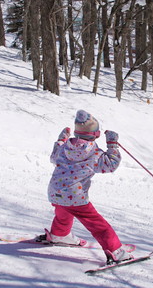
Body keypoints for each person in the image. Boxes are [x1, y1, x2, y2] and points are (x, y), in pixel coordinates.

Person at [44, 109, 132, 264]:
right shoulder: (94, 153)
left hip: (55, 190)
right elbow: (111, 165)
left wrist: (60, 140)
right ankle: (116, 251)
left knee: (63, 210)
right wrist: (112, 144)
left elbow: (53, 157)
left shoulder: (64, 148)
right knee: (97, 224)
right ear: (96, 134)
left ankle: (59, 234)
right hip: (75, 195)